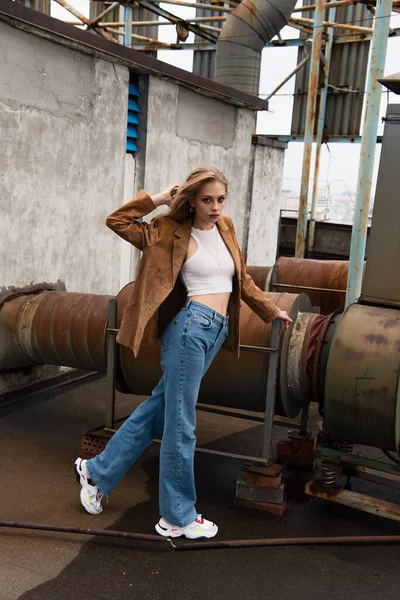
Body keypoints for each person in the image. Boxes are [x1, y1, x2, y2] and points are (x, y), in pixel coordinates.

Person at [74, 166, 292, 540]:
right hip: (190, 330)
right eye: (207, 199)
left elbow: (242, 279)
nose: (215, 207)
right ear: (190, 200)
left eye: (220, 199)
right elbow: (117, 220)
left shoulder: (225, 229)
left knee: (161, 409)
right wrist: (159, 198)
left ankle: (97, 471)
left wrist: (272, 310)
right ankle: (176, 516)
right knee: (181, 426)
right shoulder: (166, 233)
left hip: (214, 331)